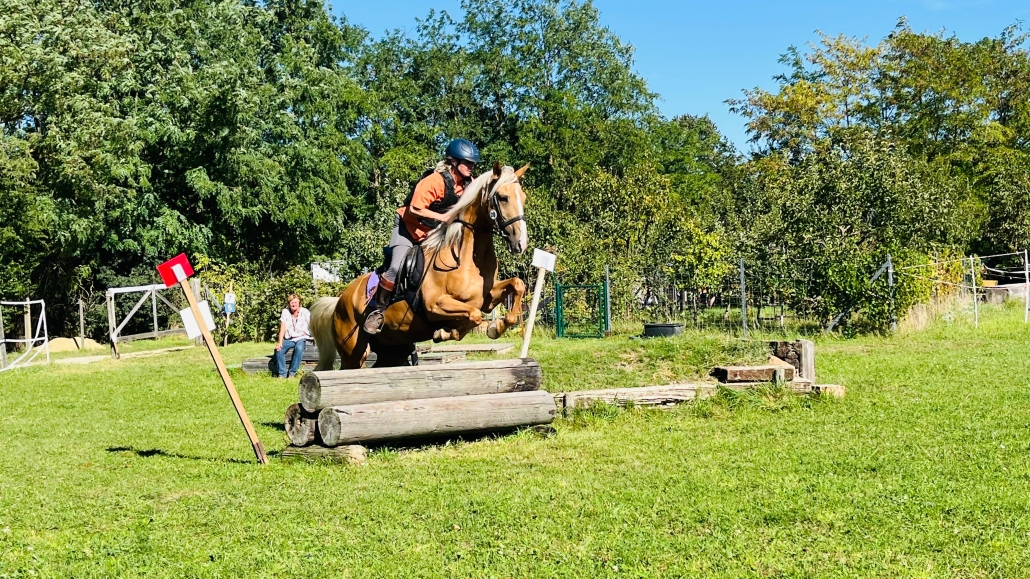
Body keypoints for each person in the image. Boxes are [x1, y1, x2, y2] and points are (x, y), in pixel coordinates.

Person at [363, 138, 481, 334]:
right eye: (467, 163)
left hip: (433, 233)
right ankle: (377, 311)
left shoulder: (469, 183)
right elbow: (415, 208)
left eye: (473, 163)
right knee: (395, 266)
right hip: (408, 228)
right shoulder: (434, 181)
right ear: (454, 162)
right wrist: (443, 217)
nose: (471, 167)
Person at [275, 294, 311, 378]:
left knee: (299, 348)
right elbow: (282, 327)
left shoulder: (305, 312)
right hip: (290, 338)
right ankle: (282, 374)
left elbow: (312, 324)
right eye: (292, 303)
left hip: (302, 337)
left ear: (299, 303)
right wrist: (280, 342)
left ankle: (292, 373)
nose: (294, 304)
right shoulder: (285, 312)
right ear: (289, 304)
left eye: (295, 302)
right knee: (279, 350)